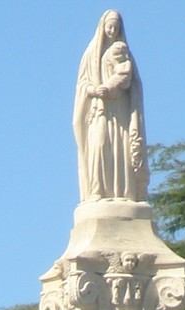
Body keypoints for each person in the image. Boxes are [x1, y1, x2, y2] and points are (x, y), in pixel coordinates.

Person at [73, 10, 149, 203]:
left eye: (116, 27)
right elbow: (82, 83)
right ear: (102, 26)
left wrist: (109, 87)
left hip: (121, 109)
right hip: (99, 110)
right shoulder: (91, 54)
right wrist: (93, 90)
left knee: (120, 149)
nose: (112, 30)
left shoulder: (123, 51)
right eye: (109, 26)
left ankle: (124, 193)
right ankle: (97, 191)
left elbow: (129, 78)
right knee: (99, 146)